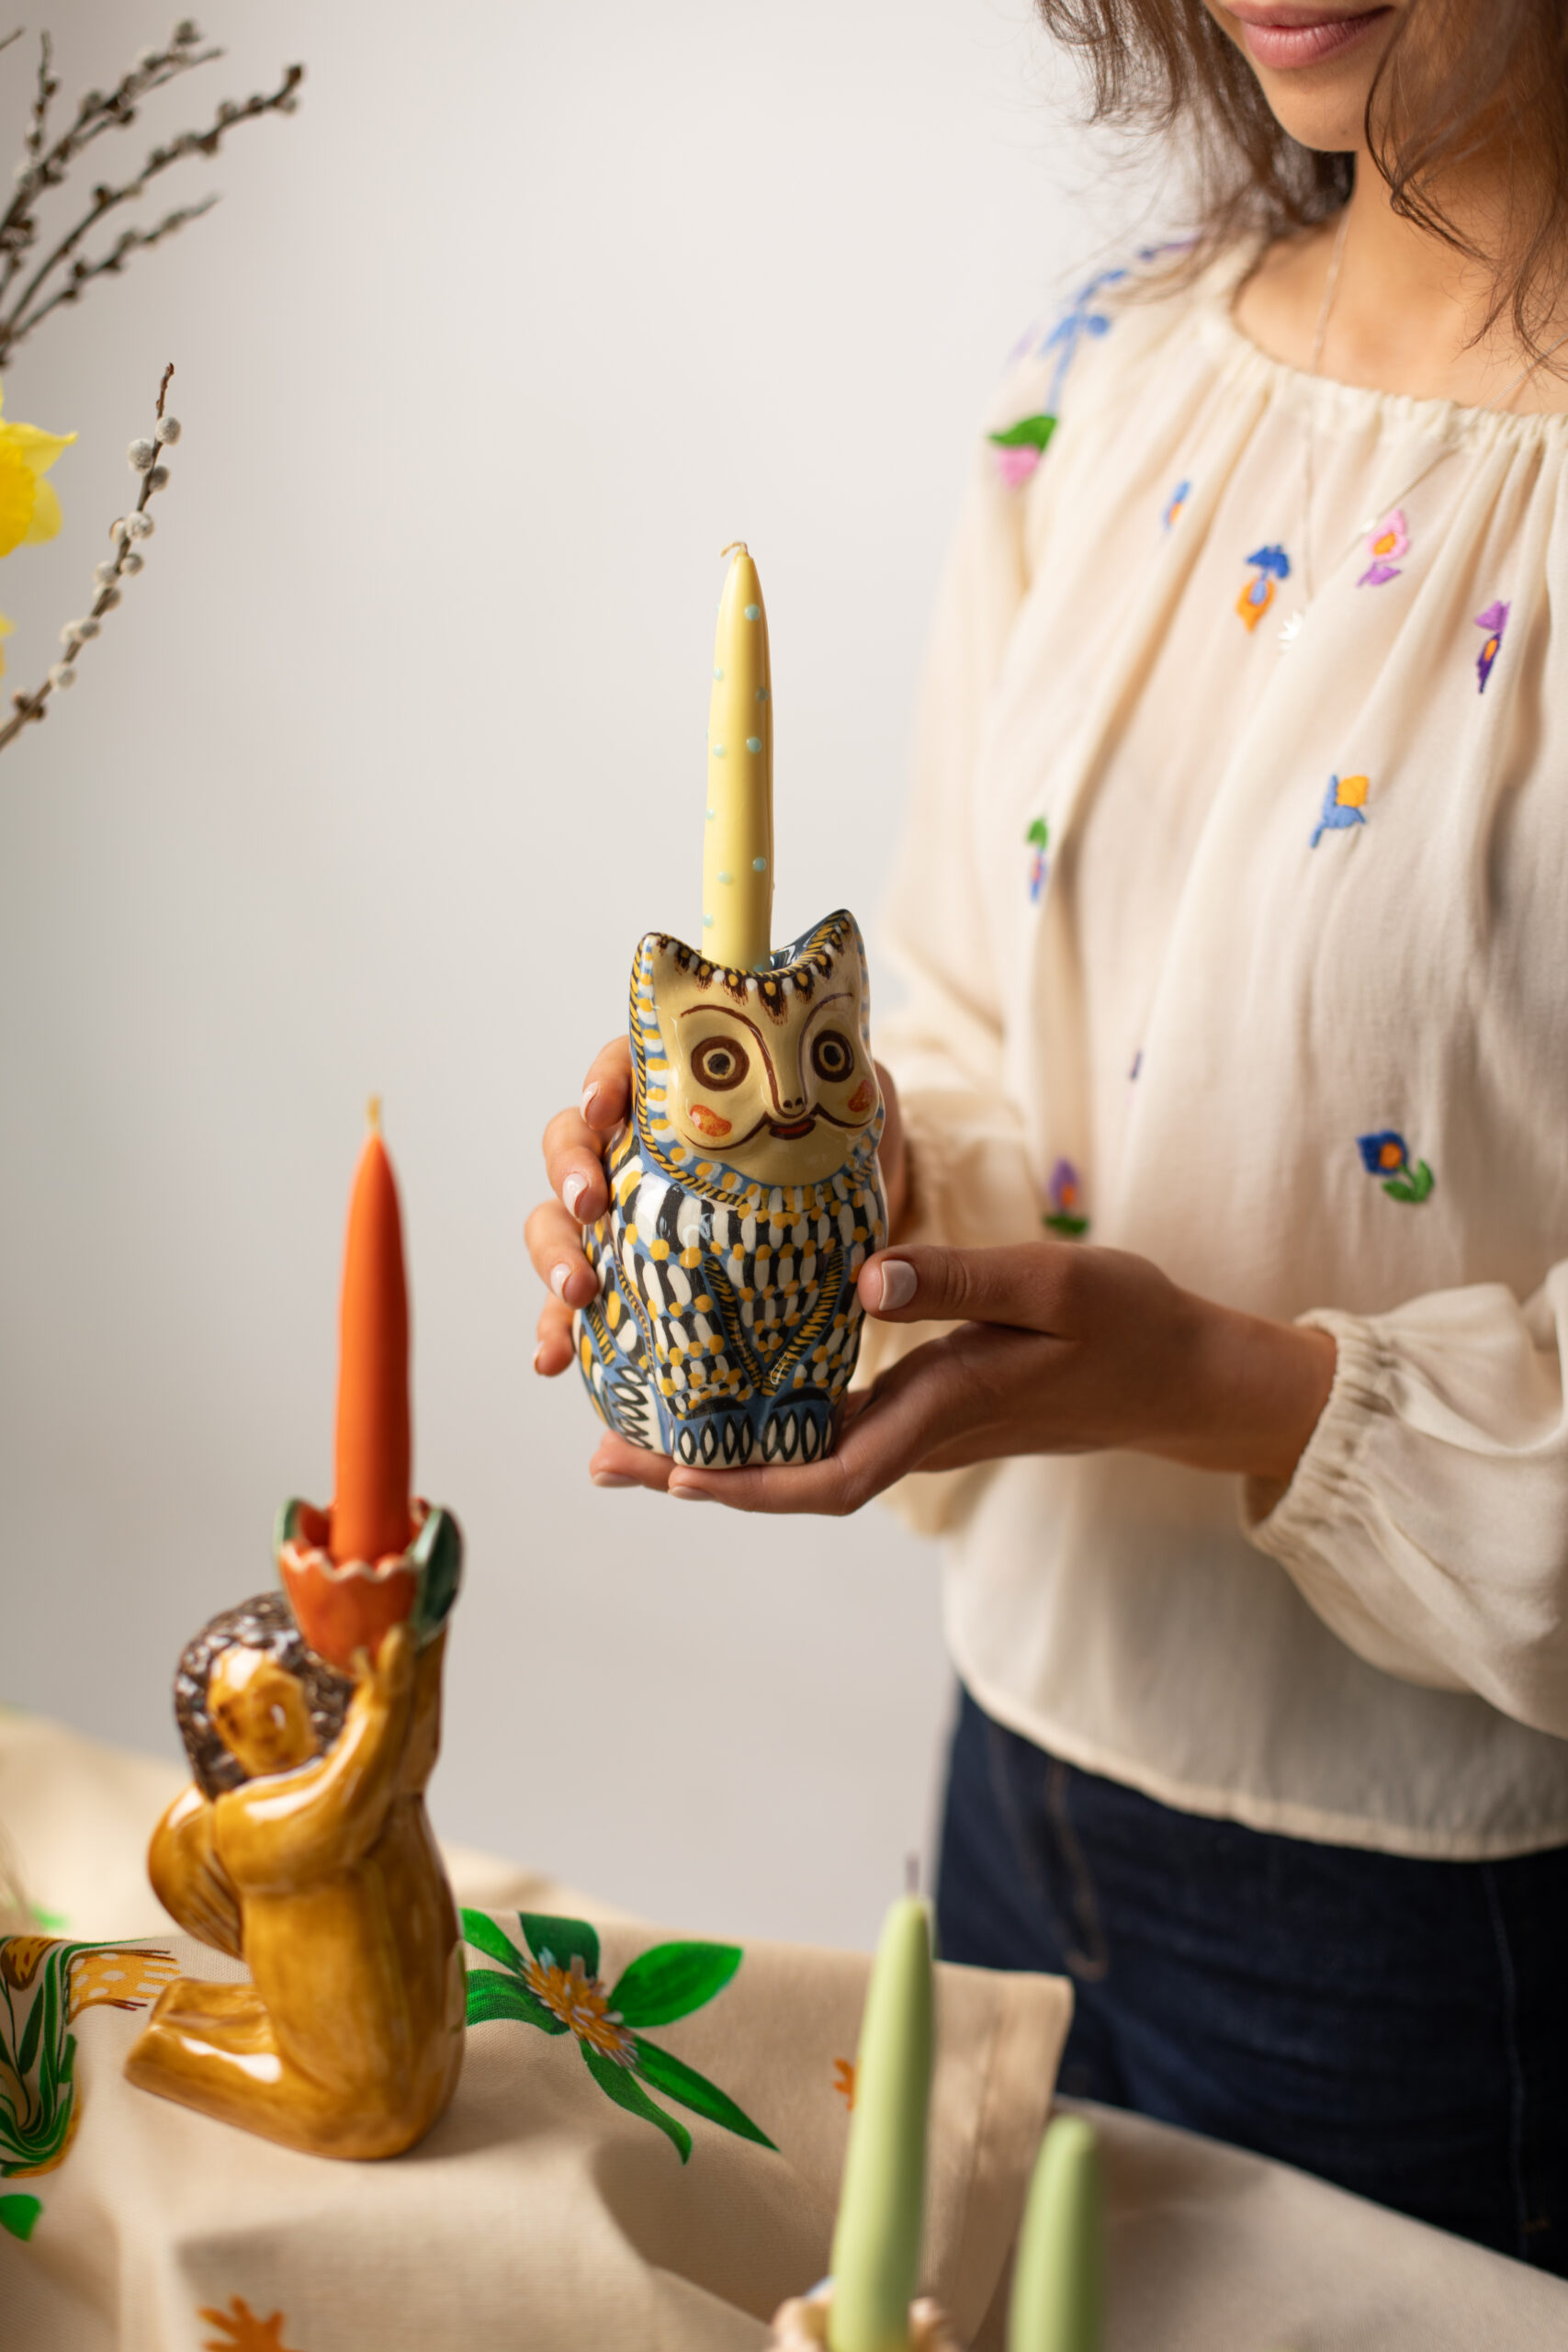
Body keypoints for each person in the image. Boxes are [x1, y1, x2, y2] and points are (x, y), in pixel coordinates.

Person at [526, 0, 1568, 2269]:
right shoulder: (1106, 378)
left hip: (1444, 1934)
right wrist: (832, 1180)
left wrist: (1220, 1384)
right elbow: (987, 1037)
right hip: (1012, 1786)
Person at [128, 1605, 466, 2159]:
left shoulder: (385, 1782)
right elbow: (340, 1807)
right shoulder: (247, 1820)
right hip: (356, 2103)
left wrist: (424, 1622)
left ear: (316, 1697)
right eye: (228, 1720)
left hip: (419, 2073)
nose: (254, 1729)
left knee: (192, 2023)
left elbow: (414, 1729)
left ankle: (235, 2026)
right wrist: (380, 1705)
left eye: (271, 1704)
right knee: (168, 2039)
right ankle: (191, 2043)